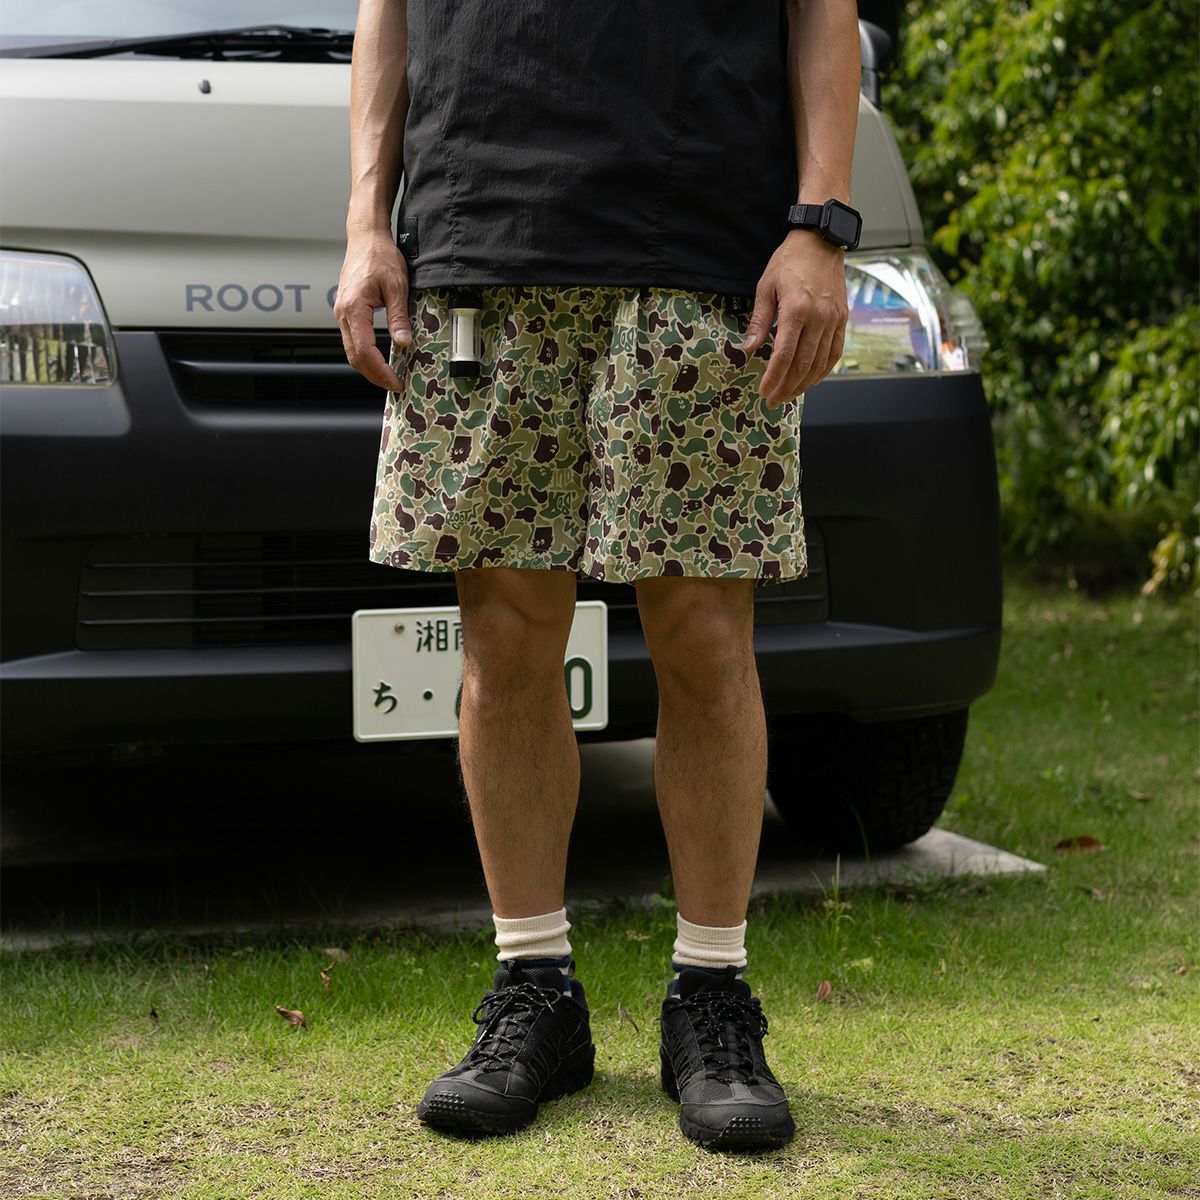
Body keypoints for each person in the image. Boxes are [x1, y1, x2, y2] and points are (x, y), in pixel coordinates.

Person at [337, 0, 860, 1152]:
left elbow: (825, 10)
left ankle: (710, 994)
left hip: (704, 237)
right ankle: (535, 988)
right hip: (482, 233)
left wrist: (820, 225)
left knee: (706, 630)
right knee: (504, 633)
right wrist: (367, 222)